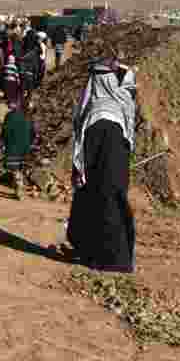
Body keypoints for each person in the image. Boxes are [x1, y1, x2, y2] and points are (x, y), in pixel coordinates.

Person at [65, 60, 138, 273]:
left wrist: (80, 172)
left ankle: (102, 258)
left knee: (99, 211)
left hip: (100, 183)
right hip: (116, 180)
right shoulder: (121, 108)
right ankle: (114, 258)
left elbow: (87, 156)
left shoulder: (98, 114)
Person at [1, 99, 34, 199]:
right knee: (20, 168)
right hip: (25, 148)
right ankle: (18, 188)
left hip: (13, 147)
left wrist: (3, 142)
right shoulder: (28, 118)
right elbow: (32, 133)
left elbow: (5, 131)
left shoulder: (9, 116)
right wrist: (30, 144)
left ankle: (19, 188)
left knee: (15, 170)